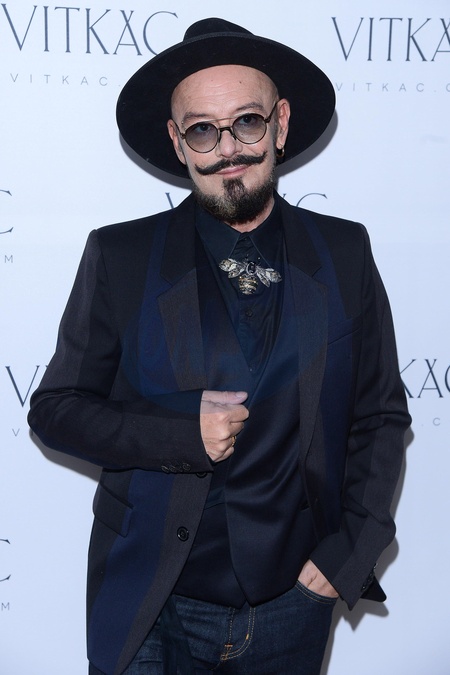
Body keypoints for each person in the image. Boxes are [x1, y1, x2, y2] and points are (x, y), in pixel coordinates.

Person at [28, 17, 411, 675]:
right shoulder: (120, 256)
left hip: (293, 604)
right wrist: (182, 433)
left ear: (281, 124)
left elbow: (380, 416)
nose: (228, 149)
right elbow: (55, 410)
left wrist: (349, 553)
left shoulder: (344, 251)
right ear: (178, 141)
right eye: (203, 130)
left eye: (247, 122)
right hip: (151, 603)